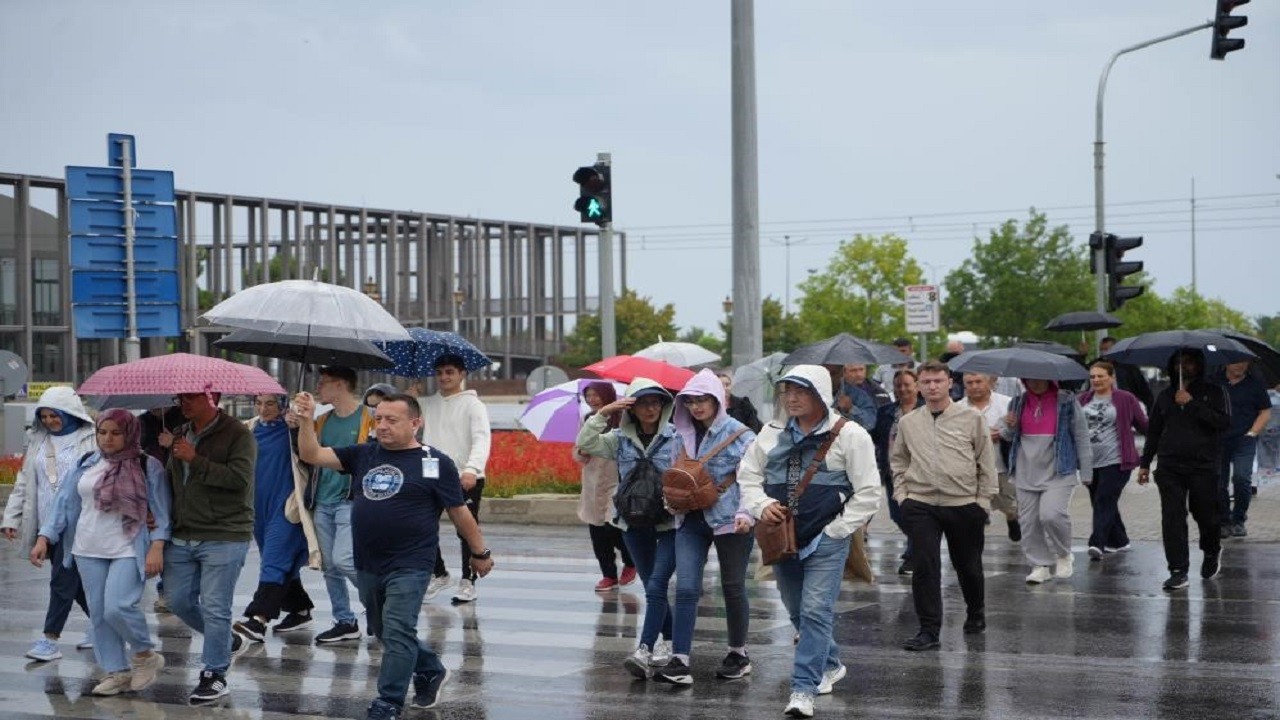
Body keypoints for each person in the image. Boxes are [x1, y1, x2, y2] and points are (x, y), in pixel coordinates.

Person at [293, 390, 494, 720]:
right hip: (369, 562)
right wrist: (305, 420)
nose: (382, 425)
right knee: (384, 629)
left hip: (411, 563)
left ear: (415, 423)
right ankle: (430, 668)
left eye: (391, 420)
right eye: (378, 419)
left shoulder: (435, 463)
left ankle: (388, 702)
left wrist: (479, 552)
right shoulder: (364, 454)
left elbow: (459, 512)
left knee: (398, 628)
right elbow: (311, 454)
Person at [738, 365, 881, 719]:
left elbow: (868, 492)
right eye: (787, 391)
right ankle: (830, 663)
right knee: (797, 609)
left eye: (800, 391)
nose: (792, 398)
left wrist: (837, 530)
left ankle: (803, 689)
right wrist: (763, 505)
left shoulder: (850, 434)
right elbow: (748, 476)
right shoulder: (770, 433)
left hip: (827, 539)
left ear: (821, 394)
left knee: (816, 610)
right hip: (781, 538)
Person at [29, 409, 171, 695]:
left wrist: (157, 546)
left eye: (116, 433)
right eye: (102, 432)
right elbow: (63, 504)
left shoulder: (147, 465)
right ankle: (117, 671)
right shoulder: (86, 462)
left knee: (118, 607)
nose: (107, 439)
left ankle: (144, 654)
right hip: (87, 548)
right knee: (99, 615)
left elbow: (161, 511)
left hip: (127, 548)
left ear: (130, 433)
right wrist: (44, 537)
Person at [652, 369, 756, 685]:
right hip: (690, 520)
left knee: (732, 586)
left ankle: (738, 654)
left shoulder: (742, 435)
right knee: (685, 588)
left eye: (702, 400)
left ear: (717, 400)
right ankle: (680, 660)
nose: (696, 407)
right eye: (690, 401)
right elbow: (673, 475)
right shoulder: (679, 436)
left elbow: (753, 479)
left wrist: (747, 513)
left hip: (731, 519)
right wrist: (671, 501)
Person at [575, 377, 678, 679]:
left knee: (657, 584)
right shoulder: (618, 438)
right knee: (652, 585)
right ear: (631, 408)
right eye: (643, 403)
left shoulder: (676, 437)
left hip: (669, 521)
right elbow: (585, 444)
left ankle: (645, 648)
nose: (650, 409)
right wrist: (603, 413)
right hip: (633, 520)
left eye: (656, 402)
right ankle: (669, 641)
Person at [891, 362, 997, 651]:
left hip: (963, 503)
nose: (932, 386)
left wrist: (983, 501)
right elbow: (898, 460)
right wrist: (903, 495)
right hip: (921, 503)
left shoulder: (971, 418)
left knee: (968, 566)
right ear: (919, 386)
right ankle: (928, 630)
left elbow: (986, 460)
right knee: (925, 566)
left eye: (938, 381)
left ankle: (975, 612)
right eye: (926, 382)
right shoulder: (909, 422)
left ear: (950, 383)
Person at [161, 390, 256, 702]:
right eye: (180, 398)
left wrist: (195, 459)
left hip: (224, 532)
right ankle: (227, 640)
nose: (183, 403)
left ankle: (214, 673)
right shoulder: (180, 432)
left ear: (212, 396)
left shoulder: (238, 434)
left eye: (191, 397)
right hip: (182, 532)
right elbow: (175, 481)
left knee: (216, 607)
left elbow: (239, 480)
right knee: (177, 601)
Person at [2, 386, 97, 661]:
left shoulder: (90, 439)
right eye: (44, 416)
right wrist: (11, 517)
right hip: (47, 524)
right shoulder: (38, 440)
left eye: (55, 415)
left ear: (69, 413)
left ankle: (49, 639)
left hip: (80, 525)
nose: (49, 421)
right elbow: (24, 481)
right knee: (73, 584)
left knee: (61, 581)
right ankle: (102, 625)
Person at [1139, 350, 1230, 591]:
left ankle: (1211, 550)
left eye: (1188, 362)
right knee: (1173, 517)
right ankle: (1178, 570)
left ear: (1198, 365)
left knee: (1206, 515)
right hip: (1169, 466)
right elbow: (1154, 431)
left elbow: (1223, 423)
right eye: (1178, 362)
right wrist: (1145, 463)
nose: (1183, 367)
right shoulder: (1165, 395)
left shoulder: (1215, 392)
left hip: (1203, 465)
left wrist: (1191, 404)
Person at [232, 395, 318, 643]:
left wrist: (297, 428)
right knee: (278, 560)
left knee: (274, 560)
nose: (263, 408)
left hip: (287, 505)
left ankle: (257, 619)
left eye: (270, 403)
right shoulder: (248, 428)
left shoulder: (295, 427)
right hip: (258, 508)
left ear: (282, 404)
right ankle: (300, 609)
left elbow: (310, 457)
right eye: (258, 403)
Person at [306, 366, 376, 644]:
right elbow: (306, 454)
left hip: (352, 500)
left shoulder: (370, 418)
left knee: (344, 559)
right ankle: (345, 621)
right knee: (330, 567)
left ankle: (380, 602)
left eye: (323, 382)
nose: (318, 387)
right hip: (322, 500)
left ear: (340, 384)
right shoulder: (321, 421)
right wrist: (300, 423)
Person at [1003, 378, 1091, 584]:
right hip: (1025, 470)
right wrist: (1010, 427)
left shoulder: (1067, 401)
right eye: (1029, 379)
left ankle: (1064, 554)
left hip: (1059, 470)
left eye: (1039, 378)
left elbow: (1081, 436)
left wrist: (1086, 471)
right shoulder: (1017, 402)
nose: (1034, 382)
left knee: (1052, 515)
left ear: (1051, 379)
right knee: (1028, 522)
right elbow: (1008, 436)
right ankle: (1039, 565)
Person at [421, 354, 491, 604]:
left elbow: (482, 438)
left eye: (449, 372)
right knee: (422, 525)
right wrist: (409, 399)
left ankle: (467, 581)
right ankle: (439, 573)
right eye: (439, 372)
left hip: (463, 475)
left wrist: (472, 469)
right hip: (431, 473)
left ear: (462, 374)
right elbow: (406, 423)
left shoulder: (473, 405)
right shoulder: (427, 403)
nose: (444, 377)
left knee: (466, 529)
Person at [1078, 361, 1148, 560]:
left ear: (1112, 377)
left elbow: (1144, 425)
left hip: (1117, 460)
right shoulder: (1082, 399)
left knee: (1104, 499)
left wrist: (1157, 446)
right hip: (1089, 462)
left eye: (1101, 376)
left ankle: (1097, 543)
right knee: (1101, 501)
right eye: (1092, 377)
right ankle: (1120, 540)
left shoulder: (1125, 398)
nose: (1096, 380)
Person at [575, 382, 637, 591]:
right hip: (593, 482)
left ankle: (631, 560)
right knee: (597, 532)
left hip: (616, 480)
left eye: (596, 395)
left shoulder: (623, 418)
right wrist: (582, 452)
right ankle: (608, 575)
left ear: (607, 395)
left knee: (614, 527)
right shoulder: (587, 419)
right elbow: (578, 449)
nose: (592, 399)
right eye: (588, 395)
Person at [870, 369, 923, 575]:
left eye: (907, 384)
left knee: (914, 514)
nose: (902, 389)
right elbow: (875, 437)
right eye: (898, 385)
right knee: (898, 515)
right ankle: (919, 544)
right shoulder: (886, 411)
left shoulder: (926, 409)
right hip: (893, 472)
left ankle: (914, 555)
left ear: (917, 386)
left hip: (920, 473)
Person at [956, 373, 1019, 542]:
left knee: (1010, 505)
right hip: (973, 470)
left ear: (989, 382)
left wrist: (1004, 431)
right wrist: (981, 436)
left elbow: (1017, 432)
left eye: (978, 381)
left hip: (1002, 466)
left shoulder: (1007, 403)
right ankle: (975, 541)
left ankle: (1012, 518)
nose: (974, 386)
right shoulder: (957, 408)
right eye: (970, 383)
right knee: (976, 509)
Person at [1215, 360, 1271, 538]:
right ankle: (1223, 521)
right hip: (1217, 440)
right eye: (1235, 362)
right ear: (1225, 363)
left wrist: (1252, 433)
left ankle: (1238, 520)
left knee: (1241, 478)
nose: (1240, 366)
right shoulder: (1213, 382)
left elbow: (1265, 411)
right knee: (1218, 482)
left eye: (1243, 362)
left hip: (1244, 440)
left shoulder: (1255, 384)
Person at [1098, 337, 1154, 409]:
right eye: (1101, 350)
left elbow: (1144, 392)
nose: (1104, 353)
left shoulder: (1128, 368)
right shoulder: (1097, 367)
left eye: (1106, 349)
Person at [831, 365, 877, 432]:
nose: (858, 374)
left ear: (841, 373)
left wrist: (850, 409)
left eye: (833, 373)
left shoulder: (858, 395)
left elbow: (870, 423)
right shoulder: (815, 393)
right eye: (853, 371)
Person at [1258, 385, 1280, 478]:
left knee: (1265, 448)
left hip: (1265, 428)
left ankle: (1268, 468)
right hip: (1273, 427)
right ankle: (1273, 467)